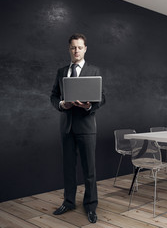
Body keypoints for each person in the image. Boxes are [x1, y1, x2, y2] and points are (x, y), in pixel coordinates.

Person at [50, 33, 105, 223]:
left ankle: (90, 206)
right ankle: (69, 202)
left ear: (85, 49)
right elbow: (53, 96)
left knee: (89, 169)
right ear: (69, 49)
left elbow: (102, 98)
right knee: (68, 168)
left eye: (80, 47)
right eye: (73, 47)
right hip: (66, 127)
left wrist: (88, 105)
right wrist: (61, 105)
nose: (76, 50)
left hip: (87, 126)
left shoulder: (94, 70)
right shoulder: (61, 71)